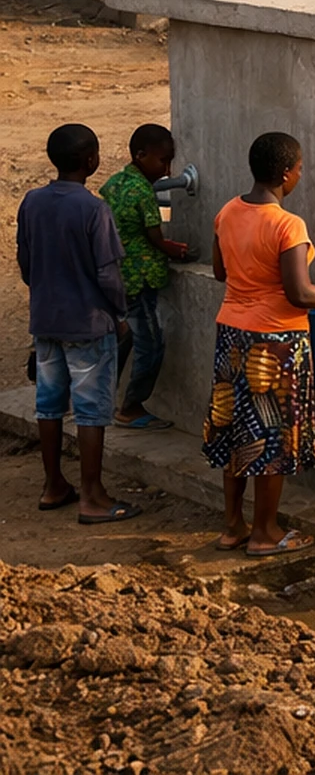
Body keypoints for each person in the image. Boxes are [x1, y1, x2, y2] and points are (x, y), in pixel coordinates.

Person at [206, 131, 315, 554]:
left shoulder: (227, 212)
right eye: (298, 169)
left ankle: (233, 526)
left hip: (231, 335)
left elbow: (221, 272)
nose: (299, 175)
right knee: (271, 436)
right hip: (274, 342)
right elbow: (301, 294)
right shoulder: (286, 224)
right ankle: (265, 533)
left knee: (240, 431)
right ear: (284, 174)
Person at [19, 123, 138, 524]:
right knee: (90, 410)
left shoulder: (32, 202)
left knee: (49, 404)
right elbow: (108, 275)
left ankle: (54, 485)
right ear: (92, 160)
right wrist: (120, 314)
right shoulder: (93, 209)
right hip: (89, 323)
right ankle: (93, 495)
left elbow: (26, 262)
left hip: (46, 319)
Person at [102, 123, 192, 431]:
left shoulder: (114, 184)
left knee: (124, 336)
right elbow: (155, 237)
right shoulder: (143, 191)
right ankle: (131, 407)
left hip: (117, 275)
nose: (166, 170)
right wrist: (176, 250)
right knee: (151, 343)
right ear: (140, 155)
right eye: (162, 161)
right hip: (140, 279)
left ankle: (102, 397)